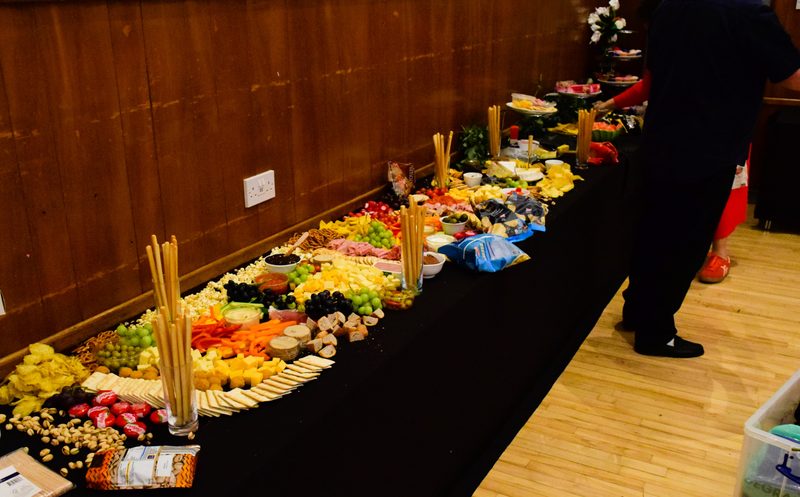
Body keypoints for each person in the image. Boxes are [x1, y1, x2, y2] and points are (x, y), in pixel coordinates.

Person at [621, 0, 800, 358]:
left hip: (661, 138)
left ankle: (636, 312)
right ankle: (656, 333)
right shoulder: (749, 12)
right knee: (685, 244)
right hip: (708, 146)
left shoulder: (668, 6)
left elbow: (656, 70)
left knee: (653, 234)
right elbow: (793, 78)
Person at [596, 74, 749, 286]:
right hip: (679, 129)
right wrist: (610, 104)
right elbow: (651, 82)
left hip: (723, 129)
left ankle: (720, 251)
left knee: (721, 188)